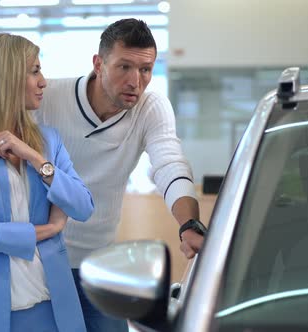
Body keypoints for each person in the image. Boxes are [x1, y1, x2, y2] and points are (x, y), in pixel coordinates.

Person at [34, 18, 205, 332]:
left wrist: (188, 224)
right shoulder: (49, 99)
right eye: (124, 67)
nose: (135, 81)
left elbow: (169, 165)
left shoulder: (151, 108)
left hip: (100, 263)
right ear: (99, 63)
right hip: (39, 259)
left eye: (145, 69)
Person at [0, 33, 94, 332]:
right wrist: (47, 229)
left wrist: (34, 158)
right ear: (6, 78)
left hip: (51, 303)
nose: (43, 81)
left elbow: (83, 205)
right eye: (34, 71)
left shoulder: (48, 141)